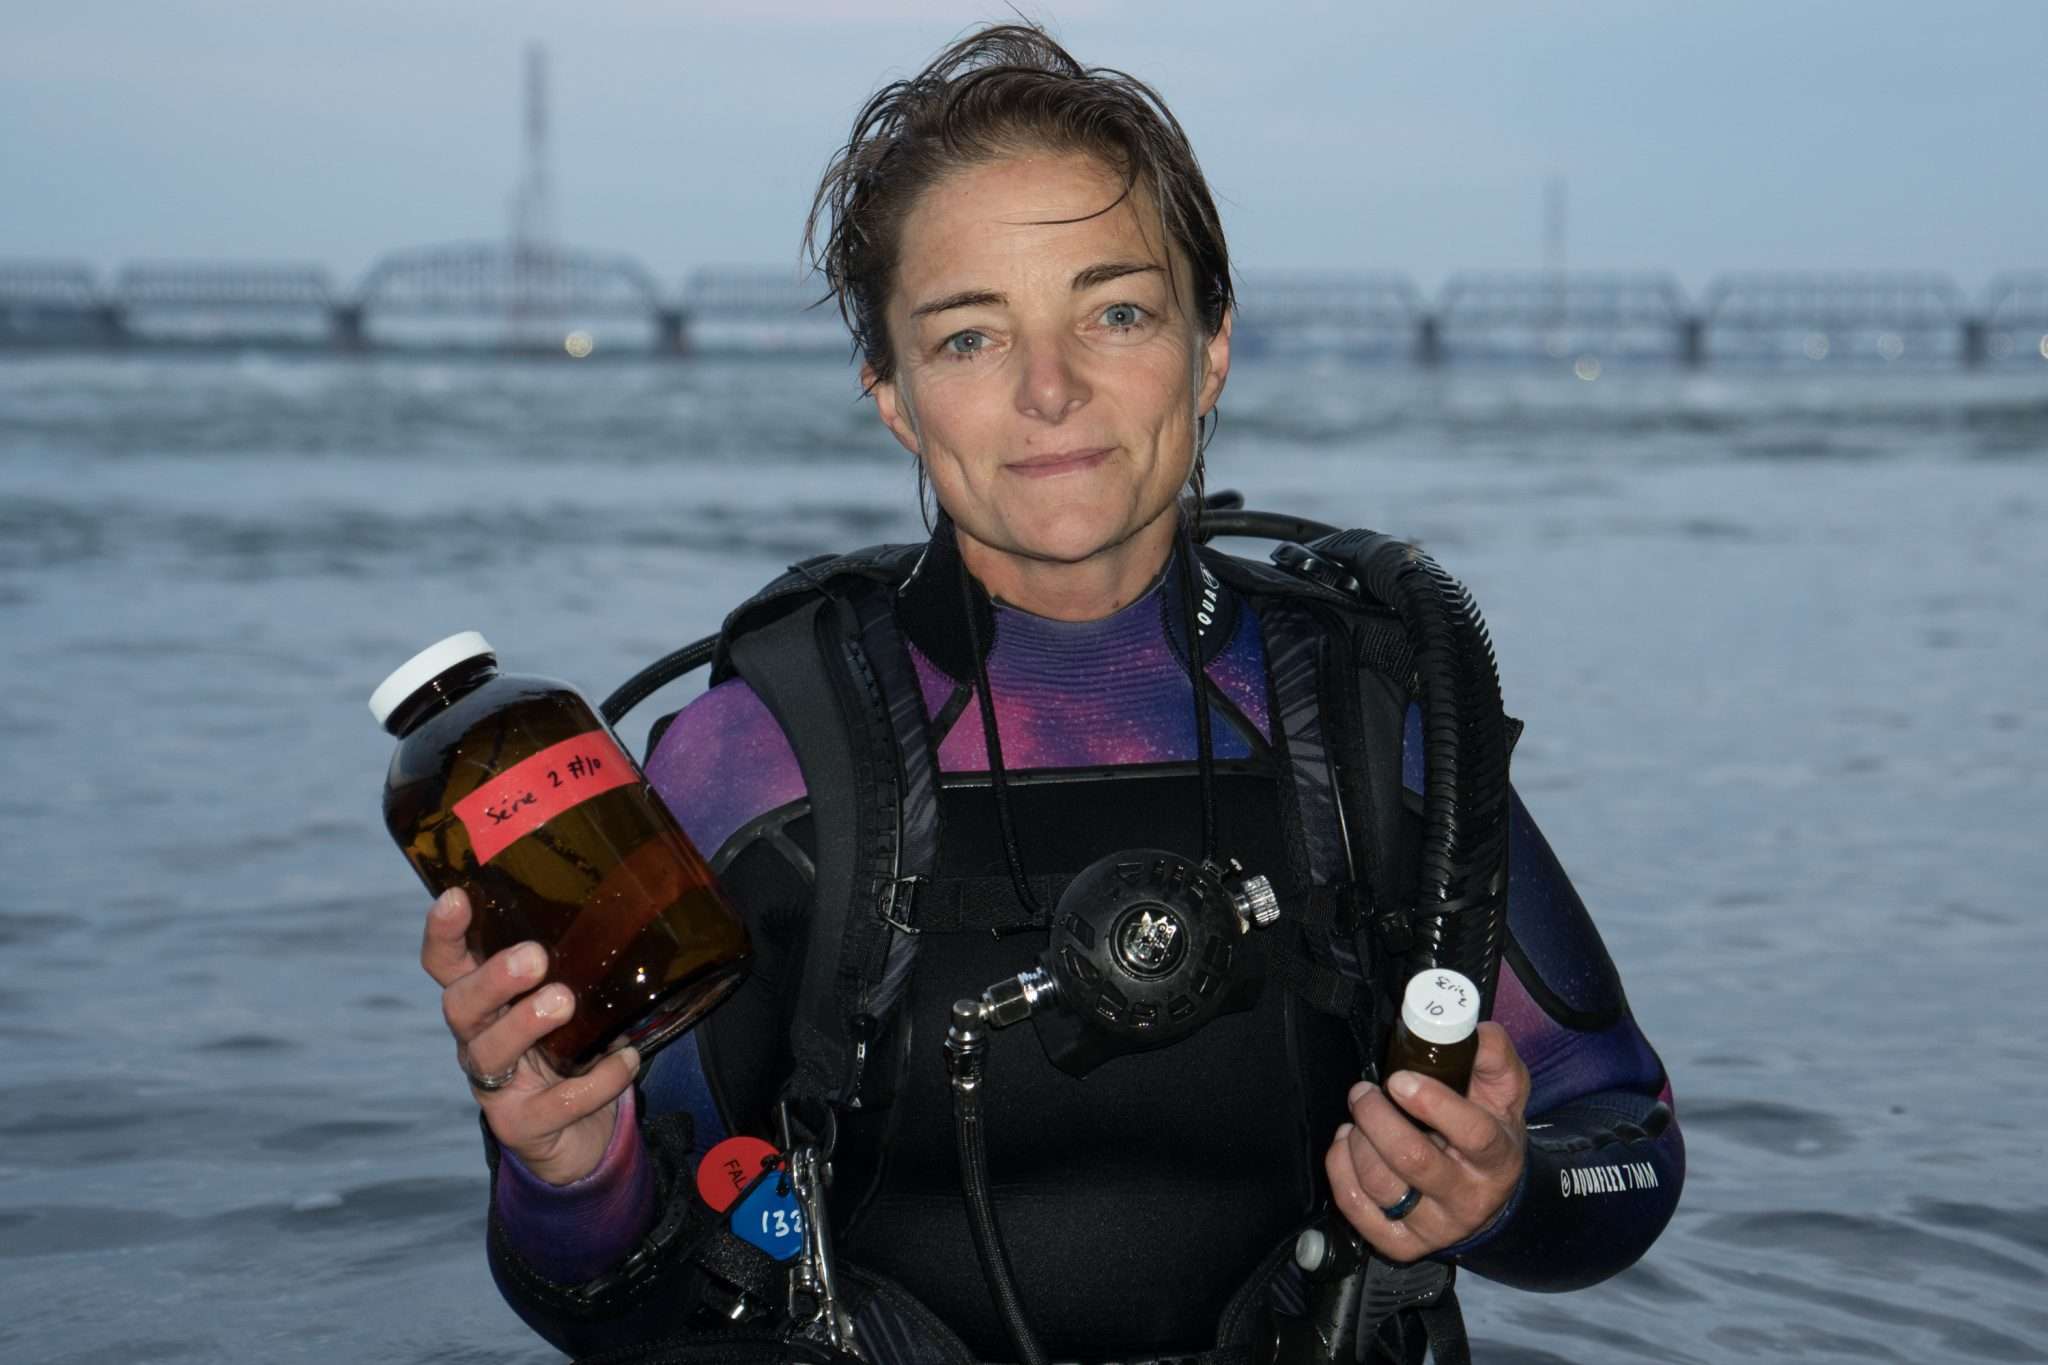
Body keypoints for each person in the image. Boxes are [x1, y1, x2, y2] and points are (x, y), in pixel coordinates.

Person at [418, 24, 1684, 1364]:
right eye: (970, 336)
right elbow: (612, 1300)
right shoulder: (763, 759)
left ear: (1209, 349)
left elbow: (1627, 1151)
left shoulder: (1374, 719)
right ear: (895, 397)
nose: (1050, 388)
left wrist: (1504, 1186)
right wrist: (566, 1167)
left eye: (1116, 311)